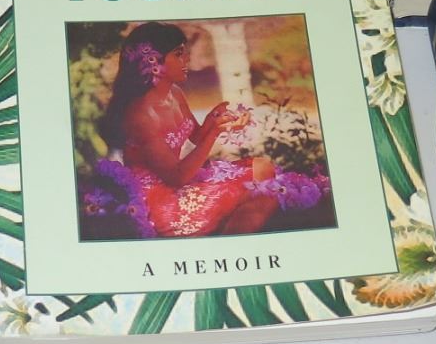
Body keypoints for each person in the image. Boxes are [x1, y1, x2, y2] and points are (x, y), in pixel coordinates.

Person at [88, 22, 309, 238]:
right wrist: (214, 133)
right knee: (266, 192)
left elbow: (194, 135)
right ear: (153, 62)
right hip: (163, 204)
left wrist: (216, 120)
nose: (187, 59)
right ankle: (230, 243)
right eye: (178, 54)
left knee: (263, 169)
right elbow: (177, 177)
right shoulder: (141, 114)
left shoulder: (174, 94)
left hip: (181, 181)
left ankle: (232, 235)